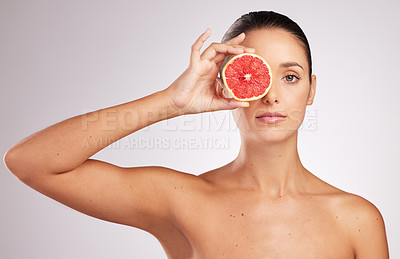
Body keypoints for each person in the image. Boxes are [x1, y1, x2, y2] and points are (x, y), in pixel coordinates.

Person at [3, 10, 389, 258]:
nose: (271, 95)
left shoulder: (356, 219)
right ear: (225, 83)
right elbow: (30, 163)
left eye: (290, 77)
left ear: (312, 88)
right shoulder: (182, 201)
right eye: (254, 75)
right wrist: (172, 102)